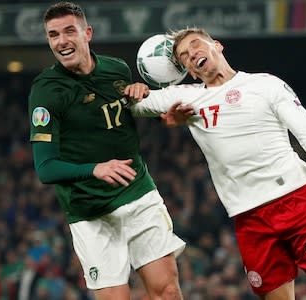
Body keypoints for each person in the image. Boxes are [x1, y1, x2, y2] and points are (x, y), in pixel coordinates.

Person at [128, 27, 306, 299]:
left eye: (196, 45)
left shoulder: (265, 85)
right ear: (189, 71)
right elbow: (128, 105)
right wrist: (133, 90)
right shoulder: (188, 98)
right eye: (185, 56)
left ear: (217, 45)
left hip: (298, 202)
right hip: (250, 217)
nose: (193, 55)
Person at [27, 2, 187, 299]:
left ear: (87, 33)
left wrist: (144, 99)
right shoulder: (46, 91)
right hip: (90, 212)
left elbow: (125, 116)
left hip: (138, 193)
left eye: (69, 31)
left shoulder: (117, 69)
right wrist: (95, 169)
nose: (61, 41)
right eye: (53, 35)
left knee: (166, 290)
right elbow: (45, 168)